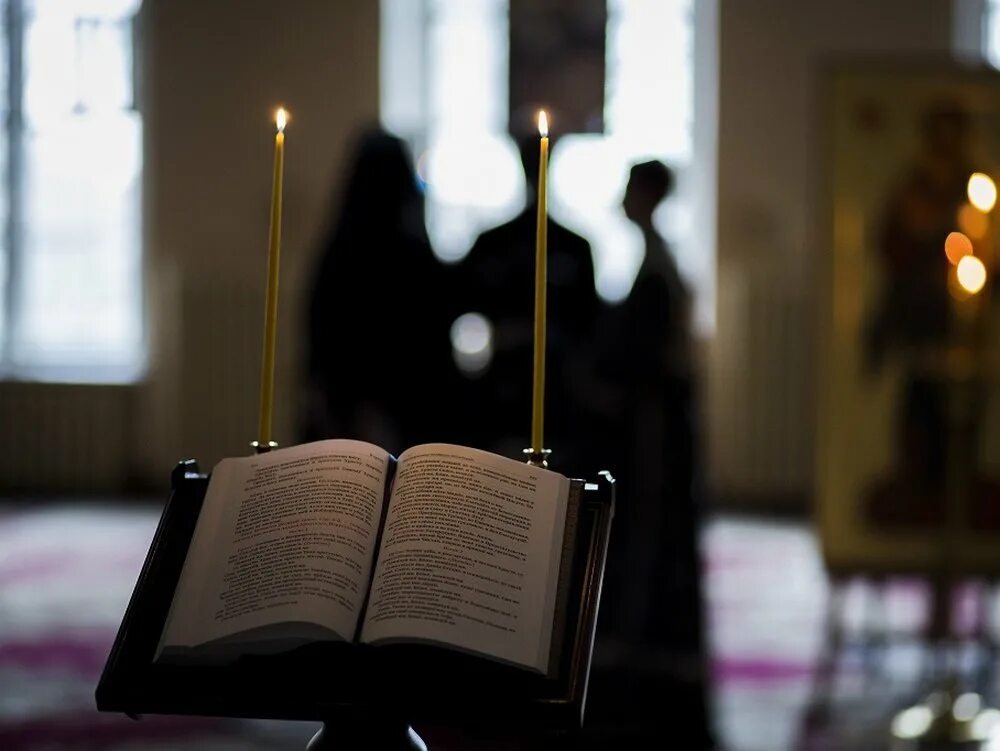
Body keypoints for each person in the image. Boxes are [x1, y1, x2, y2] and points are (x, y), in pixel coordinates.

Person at [589, 159, 714, 748]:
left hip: (654, 428)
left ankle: (646, 651)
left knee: (649, 533)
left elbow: (646, 359)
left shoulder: (658, 264)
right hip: (656, 421)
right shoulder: (655, 256)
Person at [453, 134, 602, 477]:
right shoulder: (492, 243)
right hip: (499, 384)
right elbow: (460, 303)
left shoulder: (574, 246)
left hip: (558, 386)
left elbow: (588, 321)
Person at [302, 128, 458, 454]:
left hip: (351, 400)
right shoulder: (414, 252)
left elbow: (320, 334)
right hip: (406, 403)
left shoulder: (339, 250)